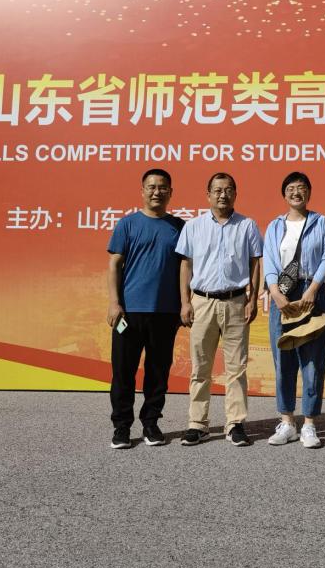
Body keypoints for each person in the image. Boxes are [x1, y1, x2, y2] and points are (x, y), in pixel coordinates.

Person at [175, 173, 262, 447]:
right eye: (217, 190)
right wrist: (185, 302)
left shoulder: (247, 225)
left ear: (235, 193)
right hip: (202, 302)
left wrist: (253, 300)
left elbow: (255, 264)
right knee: (201, 366)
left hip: (236, 302)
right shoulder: (193, 226)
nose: (223, 195)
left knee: (236, 368)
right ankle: (197, 424)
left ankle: (235, 423)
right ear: (208, 194)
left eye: (228, 190)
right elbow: (186, 265)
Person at [106, 168, 185, 449]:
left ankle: (151, 423)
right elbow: (115, 265)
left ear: (170, 192)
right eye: (151, 187)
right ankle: (122, 427)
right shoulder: (127, 224)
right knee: (123, 372)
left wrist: (184, 303)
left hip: (165, 312)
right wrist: (114, 302)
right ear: (142, 191)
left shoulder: (179, 227)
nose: (157, 192)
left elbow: (186, 269)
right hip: (129, 312)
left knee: (158, 372)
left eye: (162, 187)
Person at [262, 171, 325, 448]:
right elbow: (270, 261)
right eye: (291, 188)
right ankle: (287, 422)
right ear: (284, 194)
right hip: (283, 295)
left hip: (312, 293)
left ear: (309, 193)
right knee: (284, 360)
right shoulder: (274, 226)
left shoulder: (321, 222)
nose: (296, 192)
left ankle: (309, 424)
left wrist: (313, 289)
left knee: (313, 362)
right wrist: (275, 293)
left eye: (301, 187)